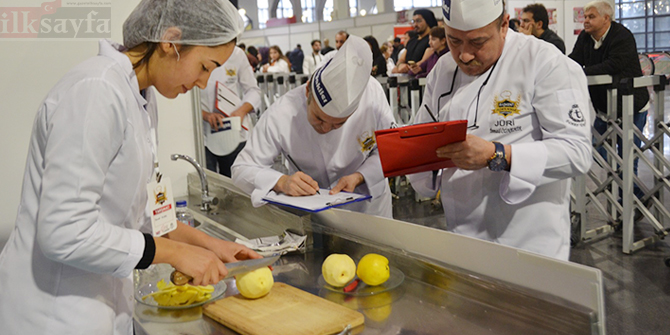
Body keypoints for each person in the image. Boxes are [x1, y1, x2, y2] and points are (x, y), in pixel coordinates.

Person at [0, 0, 262, 334]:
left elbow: (141, 214)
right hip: (53, 312)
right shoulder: (96, 91)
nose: (202, 83)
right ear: (171, 42)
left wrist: (210, 245)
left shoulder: (140, 98)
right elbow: (64, 231)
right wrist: (176, 253)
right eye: (205, 66)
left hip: (100, 304)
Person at [406, 0, 592, 261]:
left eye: (477, 42)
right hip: (461, 235)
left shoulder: (545, 63)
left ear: (504, 25)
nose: (465, 56)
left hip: (527, 241)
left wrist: (497, 155)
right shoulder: (443, 70)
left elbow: (577, 152)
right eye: (454, 41)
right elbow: (423, 128)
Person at [231, 36, 396, 218]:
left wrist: (360, 176)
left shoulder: (371, 95)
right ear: (308, 91)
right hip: (314, 213)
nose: (325, 128)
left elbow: (391, 149)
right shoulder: (282, 112)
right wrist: (281, 181)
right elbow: (241, 169)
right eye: (319, 118)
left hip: (370, 206)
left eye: (338, 124)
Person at [568, 0, 650, 200]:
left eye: (591, 16)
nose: (585, 21)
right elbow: (574, 59)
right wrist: (563, 68)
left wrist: (581, 72)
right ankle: (637, 196)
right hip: (605, 110)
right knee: (597, 149)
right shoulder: (585, 38)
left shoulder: (622, 36)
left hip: (632, 107)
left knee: (627, 159)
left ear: (606, 18)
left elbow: (614, 64)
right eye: (585, 17)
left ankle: (628, 203)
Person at [201, 43, 262, 177]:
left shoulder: (237, 54)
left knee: (236, 184)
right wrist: (205, 115)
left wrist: (241, 111)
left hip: (235, 132)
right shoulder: (196, 51)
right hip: (203, 135)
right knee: (208, 183)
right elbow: (183, 100)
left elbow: (254, 90)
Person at [393, 9, 437, 74]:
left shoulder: (431, 41)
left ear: (428, 21)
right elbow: (401, 60)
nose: (415, 25)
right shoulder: (412, 41)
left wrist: (407, 68)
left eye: (419, 21)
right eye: (413, 21)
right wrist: (400, 66)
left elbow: (422, 63)